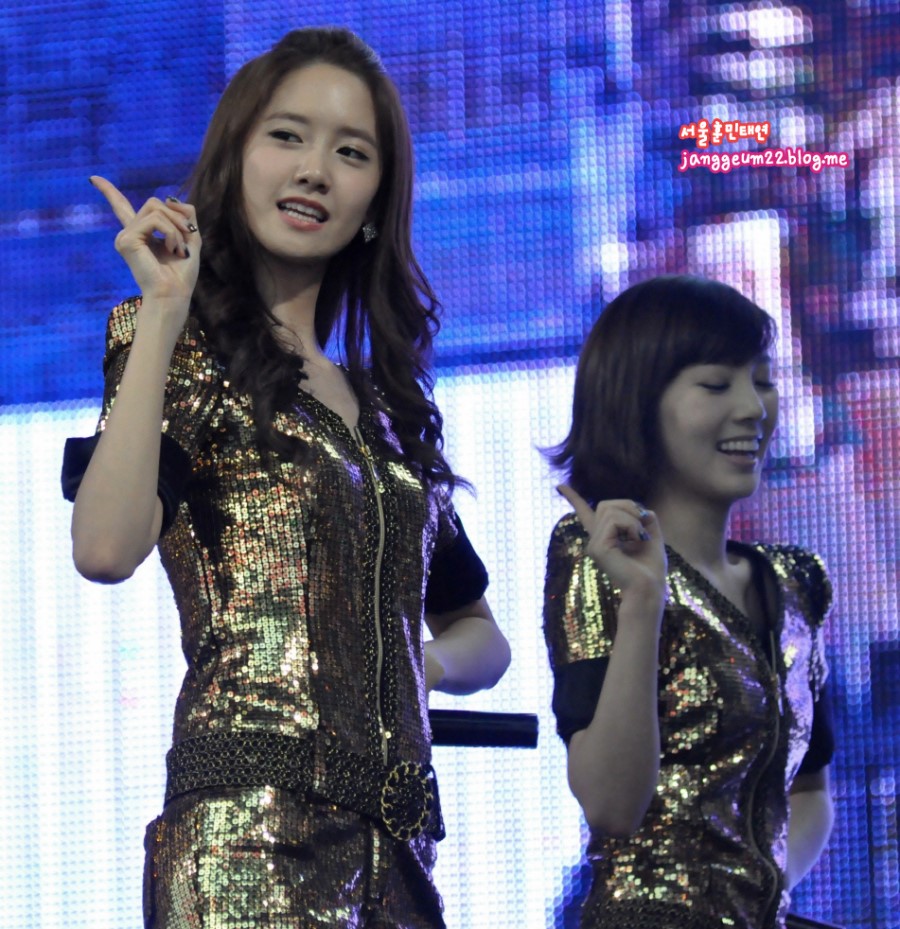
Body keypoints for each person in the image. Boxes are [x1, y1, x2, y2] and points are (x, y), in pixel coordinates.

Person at [62, 27, 510, 929]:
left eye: (351, 153)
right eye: (288, 136)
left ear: (376, 200)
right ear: (235, 159)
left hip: (399, 862)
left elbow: (481, 637)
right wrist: (163, 312)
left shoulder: (388, 412)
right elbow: (105, 547)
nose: (314, 170)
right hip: (248, 847)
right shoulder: (186, 347)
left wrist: (406, 665)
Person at [542, 275, 834, 929]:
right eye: (716, 384)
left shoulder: (797, 583)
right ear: (640, 401)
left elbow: (810, 789)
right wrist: (645, 599)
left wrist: (755, 893)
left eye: (762, 380)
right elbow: (612, 806)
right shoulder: (595, 555)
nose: (753, 407)